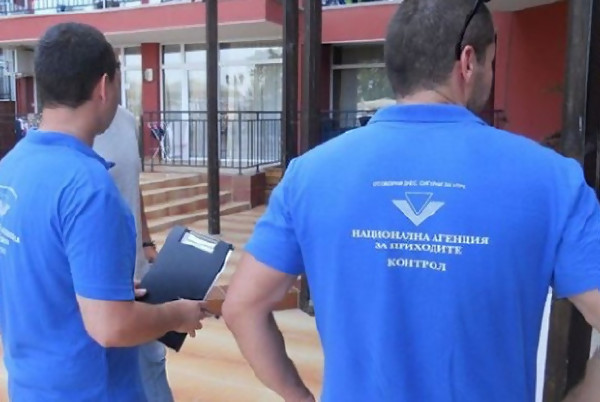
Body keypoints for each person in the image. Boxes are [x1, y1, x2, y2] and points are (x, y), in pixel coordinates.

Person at [223, 0, 600, 401]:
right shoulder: (552, 180)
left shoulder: (309, 174)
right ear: (468, 62)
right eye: (491, 62)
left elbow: (242, 307)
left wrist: (298, 395)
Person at [0, 22, 209, 401]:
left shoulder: (11, 168)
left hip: (30, 387)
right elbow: (111, 327)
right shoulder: (89, 189)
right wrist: (178, 314)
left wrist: (100, 287)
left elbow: (36, 272)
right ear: (103, 87)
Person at [94, 105, 174, 401]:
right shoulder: (77, 130)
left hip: (137, 271)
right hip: (103, 284)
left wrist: (146, 243)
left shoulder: (127, 119)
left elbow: (132, 185)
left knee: (153, 359)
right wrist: (177, 315)